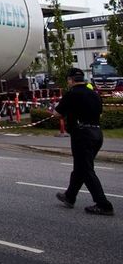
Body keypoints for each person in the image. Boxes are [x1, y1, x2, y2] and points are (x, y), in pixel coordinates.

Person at [53, 67, 114, 216]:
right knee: (81, 167)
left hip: (82, 135)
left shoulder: (72, 94)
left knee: (86, 170)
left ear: (70, 80)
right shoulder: (93, 94)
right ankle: (70, 196)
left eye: (68, 80)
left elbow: (57, 113)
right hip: (97, 134)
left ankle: (103, 204)